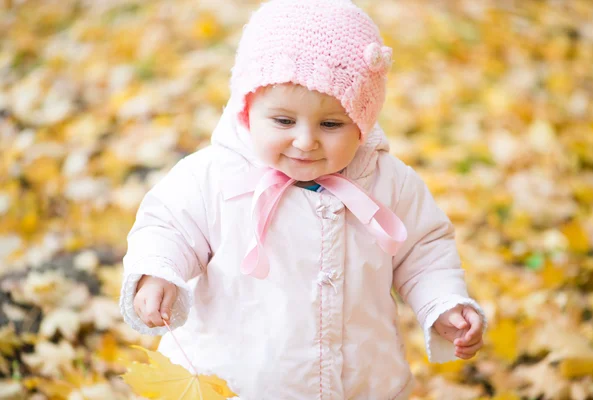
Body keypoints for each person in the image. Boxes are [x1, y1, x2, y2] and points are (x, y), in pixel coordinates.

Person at [119, 0, 486, 398]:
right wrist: (158, 272)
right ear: (247, 110)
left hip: (359, 380)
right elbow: (169, 225)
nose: (305, 141)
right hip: (236, 381)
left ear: (362, 123)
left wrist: (443, 302)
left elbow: (424, 251)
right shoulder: (212, 176)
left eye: (331, 124)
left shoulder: (387, 182)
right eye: (283, 121)